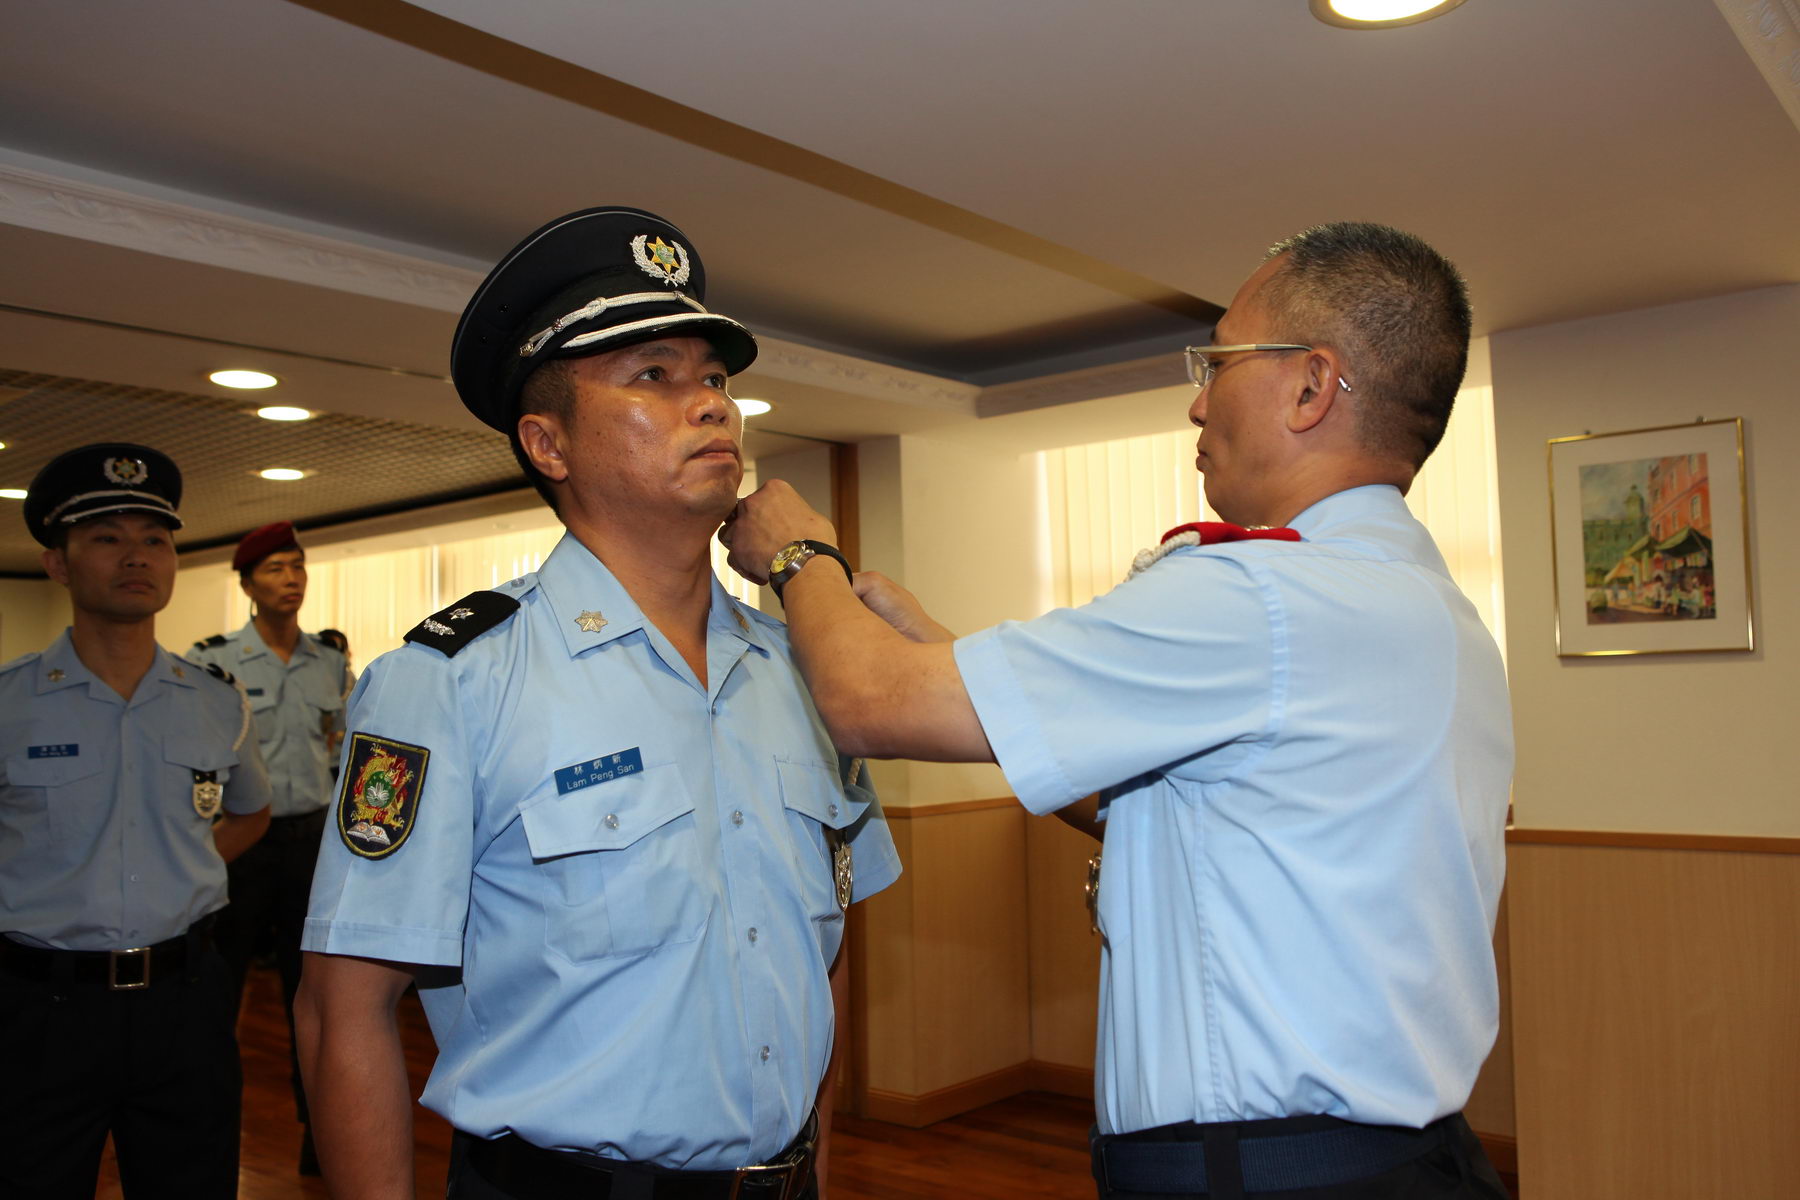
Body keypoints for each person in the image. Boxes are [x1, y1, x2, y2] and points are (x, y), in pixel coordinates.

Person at [724, 222, 1514, 1200]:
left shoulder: (1260, 598)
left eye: (1218, 363)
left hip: (1268, 1175)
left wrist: (798, 554)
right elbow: (1171, 811)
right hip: (1406, 1160)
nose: (1197, 401)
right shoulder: (1429, 608)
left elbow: (864, 703)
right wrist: (932, 640)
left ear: (1312, 387)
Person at [295, 206, 900, 1200]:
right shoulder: (451, 680)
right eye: (653, 376)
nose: (710, 405)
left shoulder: (804, 669)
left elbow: (818, 955)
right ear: (549, 443)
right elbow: (342, 1008)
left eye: (715, 378)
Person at [0, 443, 273, 1199]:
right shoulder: (10, 703)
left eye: (155, 539)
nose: (136, 556)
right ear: (57, 564)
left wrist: (174, 870)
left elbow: (251, 812)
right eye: (106, 538)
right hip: (41, 1008)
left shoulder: (215, 699)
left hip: (184, 1003)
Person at [187, 520, 352, 1174]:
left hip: (311, 844)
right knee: (217, 994)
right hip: (241, 844)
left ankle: (321, 1139)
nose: (292, 579)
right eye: (276, 569)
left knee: (314, 998)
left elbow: (341, 750)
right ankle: (205, 1135)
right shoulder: (215, 661)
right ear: (248, 585)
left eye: (298, 566)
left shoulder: (330, 661)